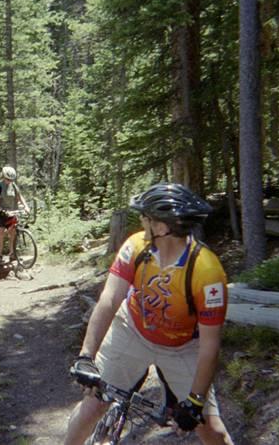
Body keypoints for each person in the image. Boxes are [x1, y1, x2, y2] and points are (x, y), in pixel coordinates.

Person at [64, 183, 234, 445]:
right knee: (92, 408)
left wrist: (195, 402)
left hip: (183, 347)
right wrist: (86, 355)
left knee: (214, 431)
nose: (142, 221)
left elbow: (210, 346)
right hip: (131, 330)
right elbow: (109, 300)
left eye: (147, 217)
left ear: (163, 227)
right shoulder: (136, 246)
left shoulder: (208, 272)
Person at [0, 165, 30, 263]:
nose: (10, 181)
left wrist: (26, 206)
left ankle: (12, 254)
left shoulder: (14, 186)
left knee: (13, 233)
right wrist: (2, 210)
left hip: (11, 212)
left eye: (11, 179)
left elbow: (20, 197)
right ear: (3, 177)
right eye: (8, 179)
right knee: (1, 233)